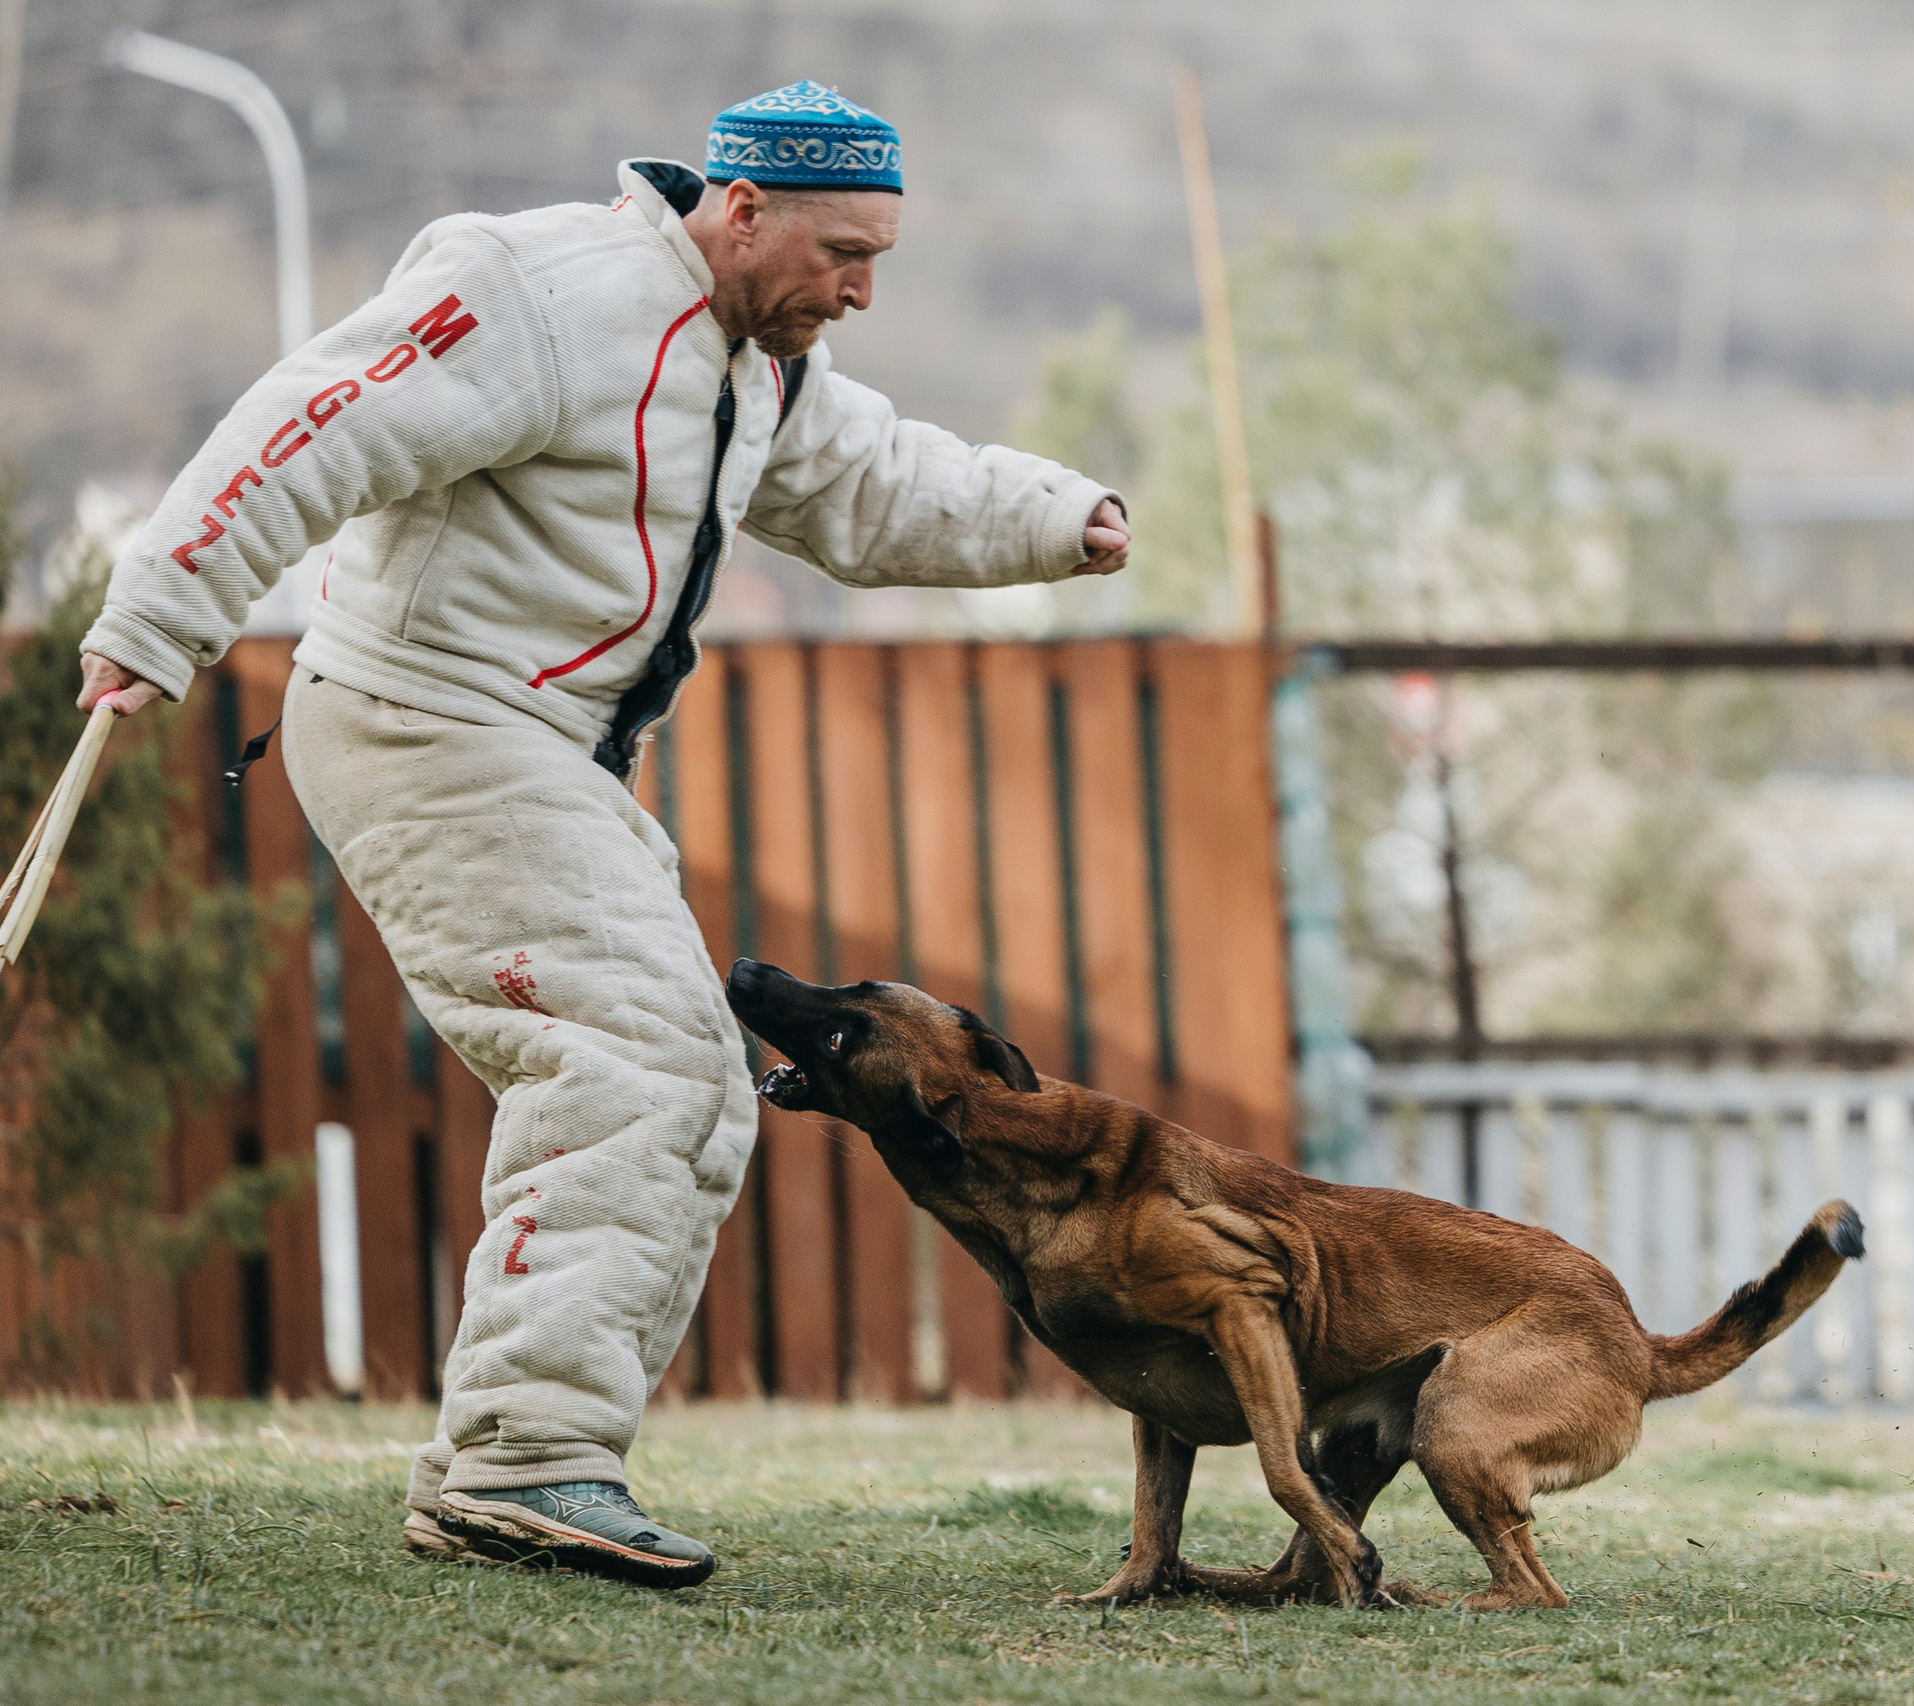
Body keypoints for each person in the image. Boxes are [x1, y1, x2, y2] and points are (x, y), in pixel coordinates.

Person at [75, 81, 1129, 1588]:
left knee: (695, 1087)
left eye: (879, 260)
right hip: (425, 721)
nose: (861, 291)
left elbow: (874, 480)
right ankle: (525, 1463)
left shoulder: (759, 365)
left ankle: (515, 1455)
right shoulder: (536, 294)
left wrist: (1054, 515)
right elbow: (317, 420)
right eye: (842, 253)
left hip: (549, 755)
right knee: (632, 1053)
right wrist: (160, 611)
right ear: (741, 209)